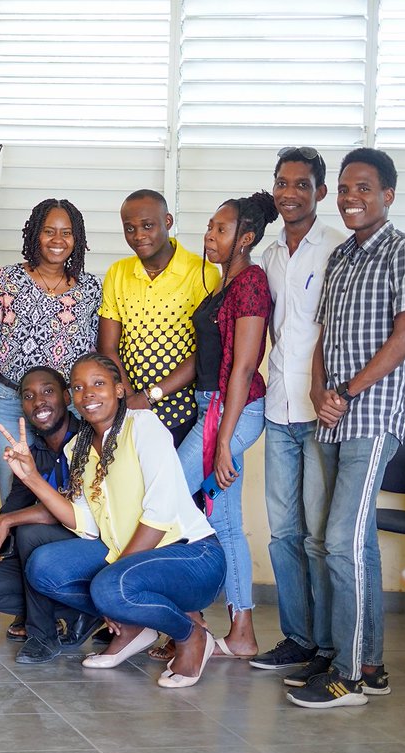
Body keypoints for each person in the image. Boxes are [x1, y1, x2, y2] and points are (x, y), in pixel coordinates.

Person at [287, 148, 405, 708]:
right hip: (332, 415)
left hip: (370, 416)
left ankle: (347, 676)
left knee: (342, 541)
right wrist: (321, 391)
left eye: (364, 188)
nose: (350, 198)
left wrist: (346, 392)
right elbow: (323, 338)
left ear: (388, 194)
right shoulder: (342, 256)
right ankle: (368, 664)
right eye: (345, 188)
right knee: (333, 541)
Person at [15, 353, 225, 688]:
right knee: (44, 567)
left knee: (109, 587)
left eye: (98, 383)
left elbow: (160, 513)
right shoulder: (79, 448)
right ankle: (134, 625)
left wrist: (112, 586)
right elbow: (86, 523)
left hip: (193, 557)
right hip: (128, 558)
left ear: (119, 389)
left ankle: (191, 635)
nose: (89, 394)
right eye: (80, 387)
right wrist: (32, 479)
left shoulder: (143, 426)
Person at [251, 147, 344, 674]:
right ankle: (297, 639)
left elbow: (335, 332)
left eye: (302, 184)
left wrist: (327, 389)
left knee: (316, 537)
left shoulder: (335, 249)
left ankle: (328, 647)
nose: (289, 193)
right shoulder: (268, 255)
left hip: (318, 414)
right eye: (282, 183)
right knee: (282, 533)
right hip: (277, 411)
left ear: (320, 192)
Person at [174, 192, 276, 659]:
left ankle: (178, 621)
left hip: (233, 411)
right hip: (211, 407)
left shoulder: (251, 282)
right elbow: (206, 359)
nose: (209, 236)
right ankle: (242, 633)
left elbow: (242, 368)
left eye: (220, 229)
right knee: (227, 522)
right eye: (210, 227)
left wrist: (220, 445)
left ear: (246, 238)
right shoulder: (221, 284)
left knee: (168, 496)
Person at [0, 366, 101, 664]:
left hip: (95, 550)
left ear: (66, 396)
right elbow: (9, 520)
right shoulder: (30, 453)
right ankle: (84, 610)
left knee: (31, 533)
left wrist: (8, 521)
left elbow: (84, 512)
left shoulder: (89, 439)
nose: (38, 401)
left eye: (48, 391)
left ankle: (42, 635)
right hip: (50, 561)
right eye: (28, 396)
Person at [0, 198, 99, 500]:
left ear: (77, 239)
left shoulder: (90, 288)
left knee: (72, 488)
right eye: (49, 231)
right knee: (14, 487)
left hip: (68, 403)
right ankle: (13, 547)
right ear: (35, 234)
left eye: (66, 233)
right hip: (11, 401)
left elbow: (95, 350)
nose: (57, 240)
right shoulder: (6, 280)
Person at [98, 190, 220, 447]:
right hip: (129, 410)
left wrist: (150, 396)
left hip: (182, 412)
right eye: (129, 228)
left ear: (167, 222)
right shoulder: (118, 273)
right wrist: (131, 399)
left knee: (179, 485)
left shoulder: (202, 274)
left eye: (147, 225)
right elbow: (108, 347)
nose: (139, 235)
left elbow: (204, 351)